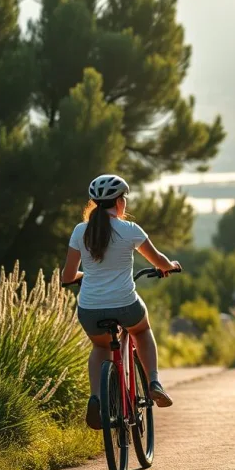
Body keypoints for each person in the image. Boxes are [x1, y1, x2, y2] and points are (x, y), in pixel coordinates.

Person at [61, 174, 181, 430]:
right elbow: (158, 260)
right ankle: (154, 383)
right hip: (125, 305)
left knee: (100, 348)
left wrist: (85, 275)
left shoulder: (80, 231)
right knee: (142, 329)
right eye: (123, 198)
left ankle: (96, 398)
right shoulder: (129, 230)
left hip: (90, 309)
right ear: (118, 201)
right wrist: (169, 267)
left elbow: (67, 276)